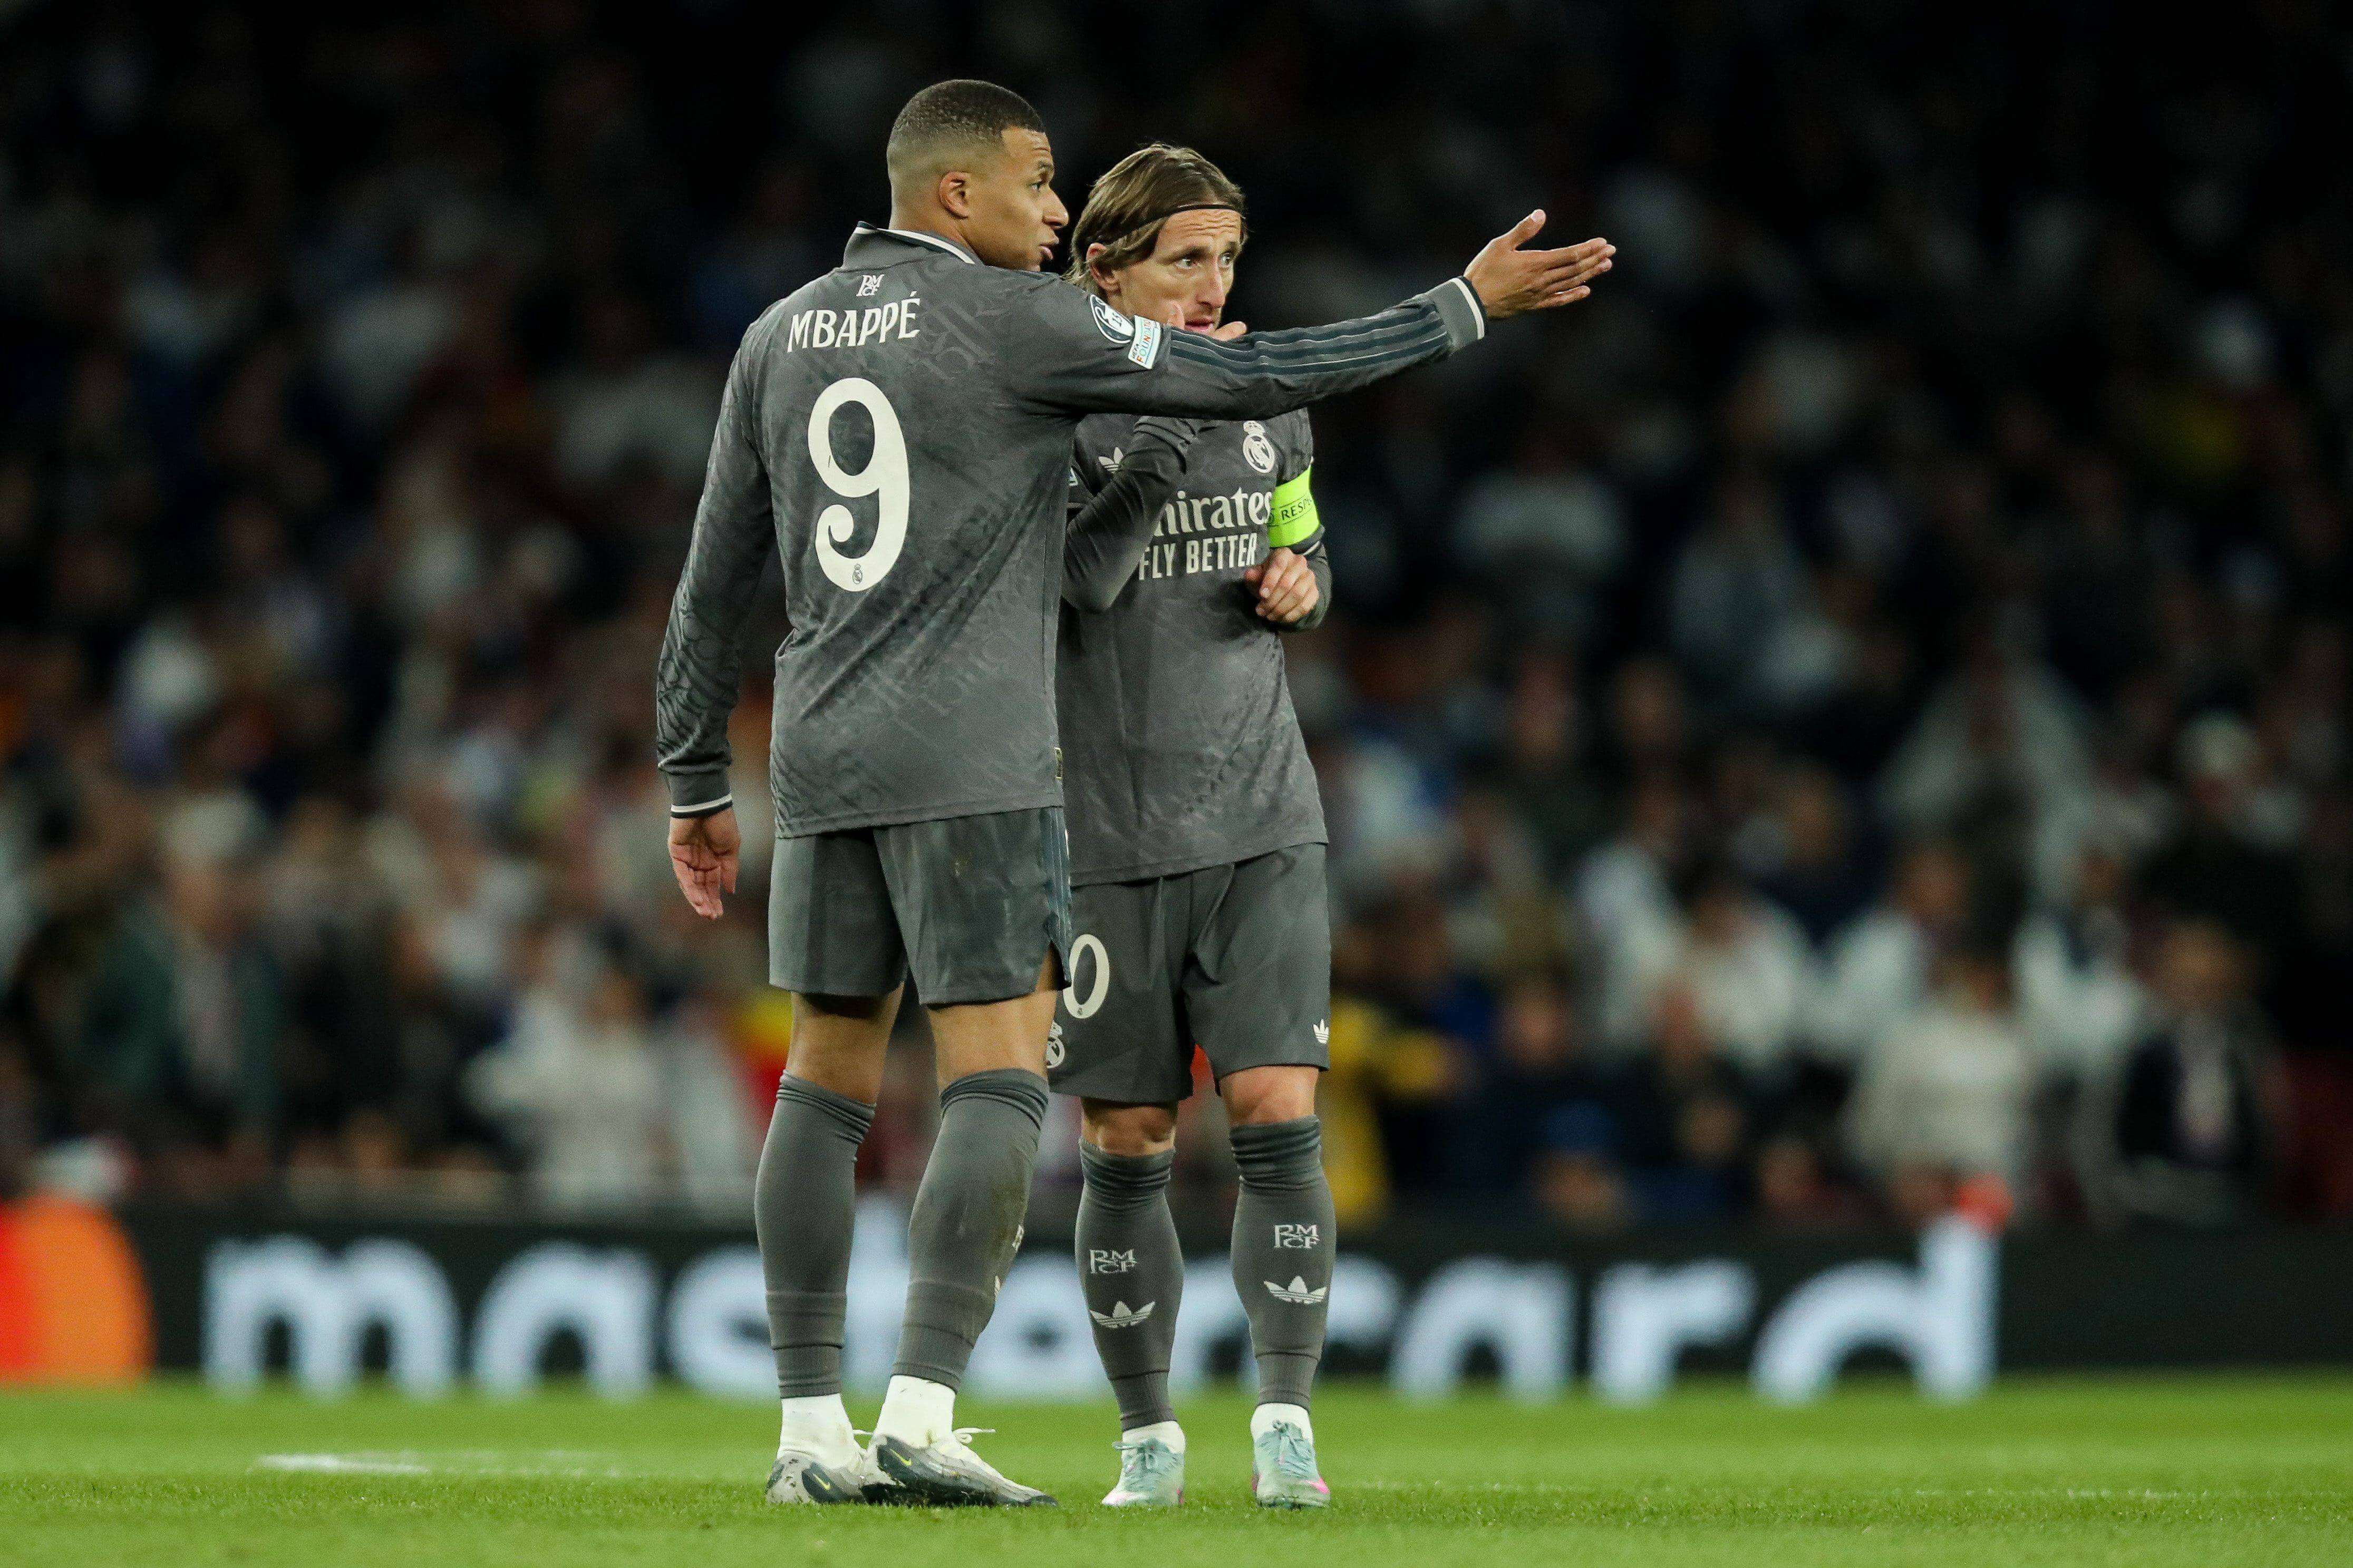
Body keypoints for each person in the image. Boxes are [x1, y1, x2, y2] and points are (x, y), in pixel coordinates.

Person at [652, 80, 1614, 1507]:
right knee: (994, 1076)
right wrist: (1459, 307)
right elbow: (1248, 374)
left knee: (826, 1077)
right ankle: (919, 1409)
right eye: (1041, 184)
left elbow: (715, 579)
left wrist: (690, 774)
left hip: (823, 758)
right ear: (956, 194)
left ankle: (807, 1432)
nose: (1057, 212)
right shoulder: (1022, 321)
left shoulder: (777, 334)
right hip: (976, 760)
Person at [1048, 144, 1589, 1509]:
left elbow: (1309, 546)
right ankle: (1147, 1436)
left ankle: (1286, 1420)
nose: (1216, 285)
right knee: (1128, 1139)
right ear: (1104, 270)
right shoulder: (1047, 410)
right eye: (1186, 260)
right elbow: (1076, 588)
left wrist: (1305, 583)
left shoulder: (1269, 413)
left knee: (1281, 1108)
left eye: (1228, 258)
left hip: (1263, 816)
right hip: (1106, 833)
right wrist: (1168, 430)